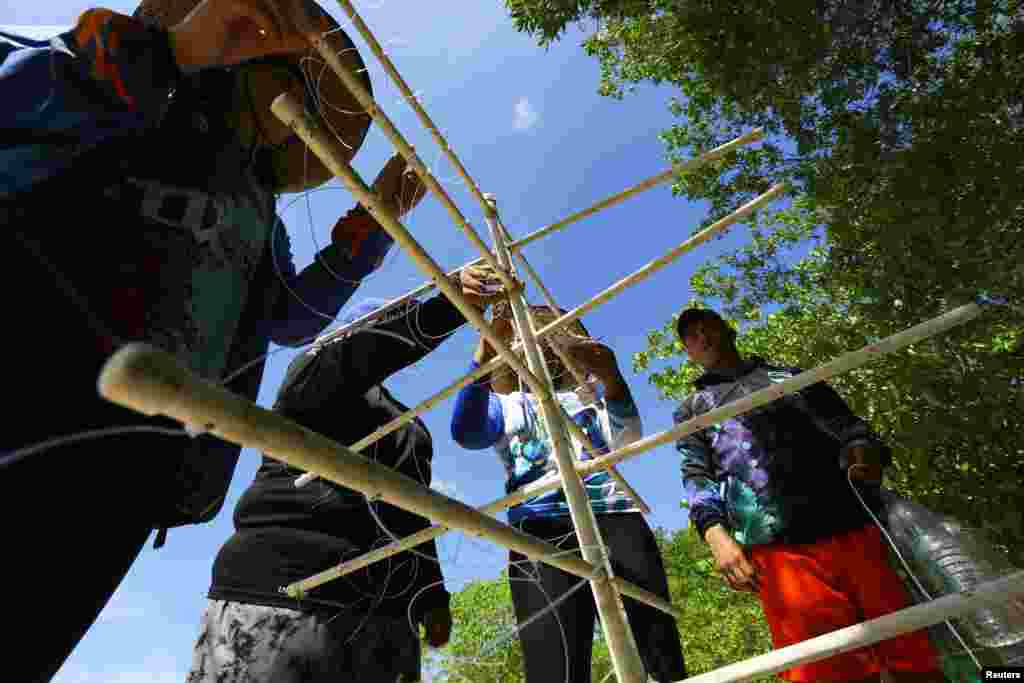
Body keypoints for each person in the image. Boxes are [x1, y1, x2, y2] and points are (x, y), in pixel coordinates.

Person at [0, 2, 427, 680]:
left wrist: (365, 234)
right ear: (242, 56)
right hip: (26, 400)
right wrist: (170, 53)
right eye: (293, 75)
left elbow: (285, 317)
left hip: (138, 466)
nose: (305, 108)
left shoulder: (260, 207)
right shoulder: (125, 86)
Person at [186, 263, 505, 683]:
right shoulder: (313, 372)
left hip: (386, 616)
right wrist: (448, 307)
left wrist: (431, 597)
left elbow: (411, 509)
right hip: (280, 592)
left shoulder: (408, 426)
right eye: (387, 322)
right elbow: (361, 353)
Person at [673, 307, 943, 683]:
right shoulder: (692, 411)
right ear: (689, 352)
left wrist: (863, 452)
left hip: (854, 526)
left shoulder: (791, 377)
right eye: (691, 336)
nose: (702, 337)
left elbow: (852, 428)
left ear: (728, 329)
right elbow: (696, 476)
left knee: (912, 657)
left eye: (708, 327)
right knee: (825, 671)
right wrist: (717, 537)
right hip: (780, 551)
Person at [450, 303, 688, 683]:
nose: (541, 345)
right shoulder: (507, 404)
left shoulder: (588, 401)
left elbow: (626, 437)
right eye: (528, 338)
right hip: (539, 527)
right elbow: (466, 431)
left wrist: (611, 377)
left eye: (552, 337)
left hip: (614, 517)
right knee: (553, 661)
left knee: (659, 646)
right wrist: (483, 353)